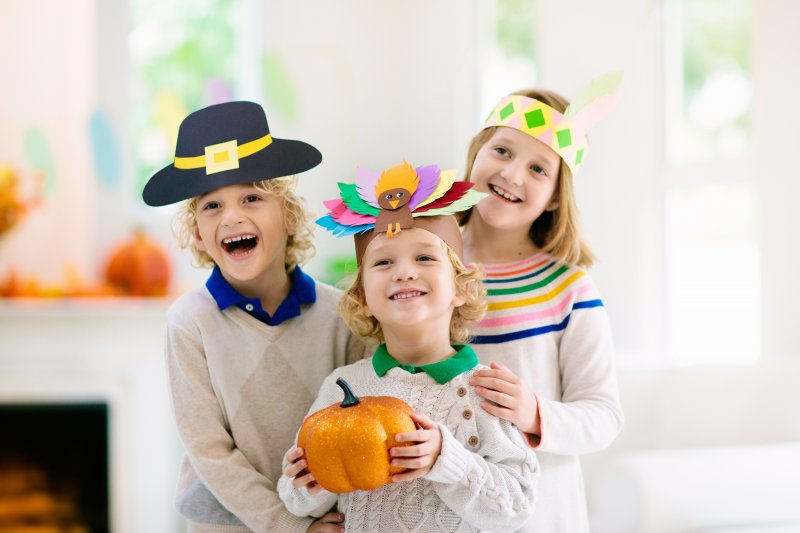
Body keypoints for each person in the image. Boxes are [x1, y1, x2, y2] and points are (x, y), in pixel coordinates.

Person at [142, 101, 367, 533]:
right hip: (225, 525)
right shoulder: (189, 324)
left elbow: (354, 426)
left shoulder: (341, 316)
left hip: (322, 520)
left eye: (251, 197)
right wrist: (286, 524)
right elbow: (209, 451)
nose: (232, 216)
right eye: (211, 206)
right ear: (198, 236)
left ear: (290, 217)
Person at [278, 162, 539, 532]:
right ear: (363, 297)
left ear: (460, 288)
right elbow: (295, 498)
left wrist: (445, 460)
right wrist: (305, 482)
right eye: (384, 262)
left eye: (424, 258)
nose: (404, 272)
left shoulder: (486, 392)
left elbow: (519, 505)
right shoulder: (342, 387)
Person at [458, 72, 626, 531]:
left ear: (555, 197)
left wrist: (534, 411)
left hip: (536, 515)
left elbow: (604, 415)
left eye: (538, 169)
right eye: (502, 151)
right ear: (477, 153)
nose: (511, 174)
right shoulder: (424, 260)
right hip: (438, 508)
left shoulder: (567, 290)